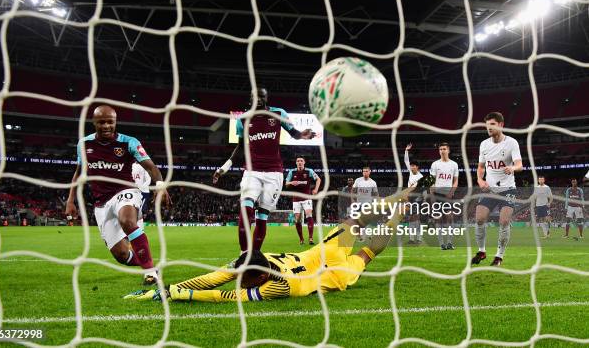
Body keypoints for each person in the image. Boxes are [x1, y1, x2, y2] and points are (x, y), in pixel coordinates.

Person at [124, 175, 435, 303]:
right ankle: (402, 203)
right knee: (360, 232)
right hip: (322, 264)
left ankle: (403, 199)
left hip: (326, 271)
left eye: (245, 278)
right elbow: (217, 277)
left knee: (366, 249)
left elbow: (225, 296)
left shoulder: (278, 285)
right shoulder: (257, 260)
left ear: (261, 275)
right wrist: (167, 289)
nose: (240, 281)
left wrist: (178, 294)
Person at [65, 105, 171, 285]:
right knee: (122, 256)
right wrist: (70, 199)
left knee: (127, 221)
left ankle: (150, 272)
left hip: (126, 191)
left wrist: (160, 185)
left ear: (115, 122)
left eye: (110, 122)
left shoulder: (129, 142)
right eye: (101, 122)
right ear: (94, 123)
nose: (106, 126)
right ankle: (151, 265)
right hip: (101, 202)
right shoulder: (84, 144)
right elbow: (79, 172)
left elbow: (151, 167)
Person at [212, 88, 316, 254]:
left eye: (262, 96)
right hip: (252, 172)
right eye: (255, 96)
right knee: (245, 212)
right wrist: (224, 168)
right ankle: (243, 254)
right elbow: (240, 147)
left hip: (274, 174)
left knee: (262, 218)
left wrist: (303, 135)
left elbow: (294, 133)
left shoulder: (278, 113)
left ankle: (254, 256)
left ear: (267, 98)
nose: (258, 99)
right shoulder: (243, 119)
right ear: (251, 98)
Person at [472, 112, 522, 267]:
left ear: (501, 125)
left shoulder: (511, 143)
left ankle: (499, 256)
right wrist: (480, 180)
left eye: (492, 124)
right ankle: (481, 251)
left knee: (504, 221)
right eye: (487, 125)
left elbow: (520, 165)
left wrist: (512, 167)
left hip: (508, 189)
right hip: (490, 190)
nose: (489, 127)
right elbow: (481, 167)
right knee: (479, 219)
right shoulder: (484, 144)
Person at [429, 143, 459, 250]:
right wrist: (432, 195)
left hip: (449, 194)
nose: (442, 150)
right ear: (439, 151)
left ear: (448, 150)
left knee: (450, 217)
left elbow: (455, 181)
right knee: (438, 219)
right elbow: (431, 182)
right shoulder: (435, 164)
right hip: (437, 194)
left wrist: (451, 192)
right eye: (440, 149)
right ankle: (442, 243)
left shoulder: (454, 164)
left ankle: (450, 243)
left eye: (444, 149)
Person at [286, 156, 321, 245]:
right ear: (296, 163)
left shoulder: (309, 171)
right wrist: (291, 183)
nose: (299, 162)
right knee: (297, 219)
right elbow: (286, 184)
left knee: (309, 214)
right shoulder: (292, 172)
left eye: (301, 161)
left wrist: (316, 189)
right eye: (298, 161)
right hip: (296, 198)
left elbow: (318, 179)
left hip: (306, 197)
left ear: (304, 162)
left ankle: (310, 238)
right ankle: (301, 239)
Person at [404, 144, 423, 244]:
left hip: (417, 199)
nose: (411, 167)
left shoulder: (421, 176)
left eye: (413, 166)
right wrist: (406, 151)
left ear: (417, 167)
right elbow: (406, 161)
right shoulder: (411, 173)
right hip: (409, 198)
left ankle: (419, 238)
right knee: (411, 218)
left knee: (416, 217)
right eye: (411, 166)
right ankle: (411, 239)